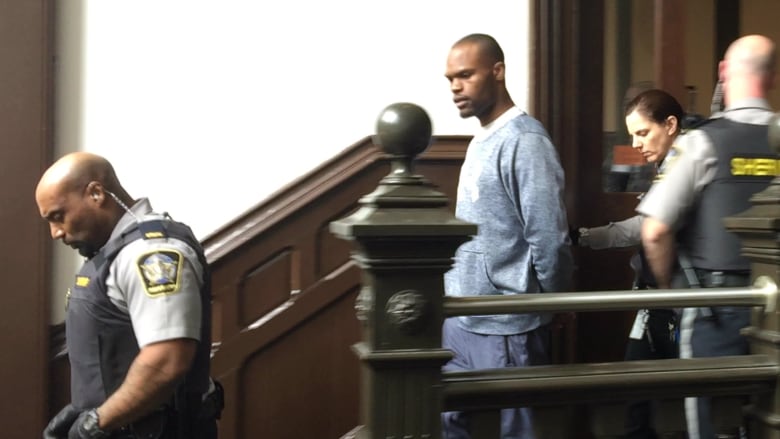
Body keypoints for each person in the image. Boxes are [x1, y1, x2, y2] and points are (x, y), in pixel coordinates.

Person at [638, 34, 777, 439]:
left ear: (722, 73)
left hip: (715, 308)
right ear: (771, 78)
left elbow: (655, 230)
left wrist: (673, 293)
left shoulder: (700, 142)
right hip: (777, 311)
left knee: (713, 426)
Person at [441, 33, 573, 439]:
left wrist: (554, 301)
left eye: (465, 75)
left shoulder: (525, 140)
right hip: (462, 316)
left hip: (507, 322)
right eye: (449, 79)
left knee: (519, 431)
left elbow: (549, 238)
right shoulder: (483, 138)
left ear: (497, 72)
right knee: (449, 422)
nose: (455, 87)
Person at [37, 152, 222, 438]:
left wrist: (98, 421)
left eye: (58, 216)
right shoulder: (114, 253)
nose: (55, 232)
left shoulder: (150, 253)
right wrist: (85, 407)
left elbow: (167, 359)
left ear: (96, 193)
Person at [573, 89, 685, 439]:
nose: (635, 145)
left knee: (682, 407)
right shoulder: (667, 166)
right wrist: (585, 237)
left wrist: (587, 237)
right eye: (631, 135)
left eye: (642, 133)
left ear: (670, 125)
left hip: (679, 303)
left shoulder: (688, 164)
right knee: (636, 400)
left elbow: (646, 229)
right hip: (656, 305)